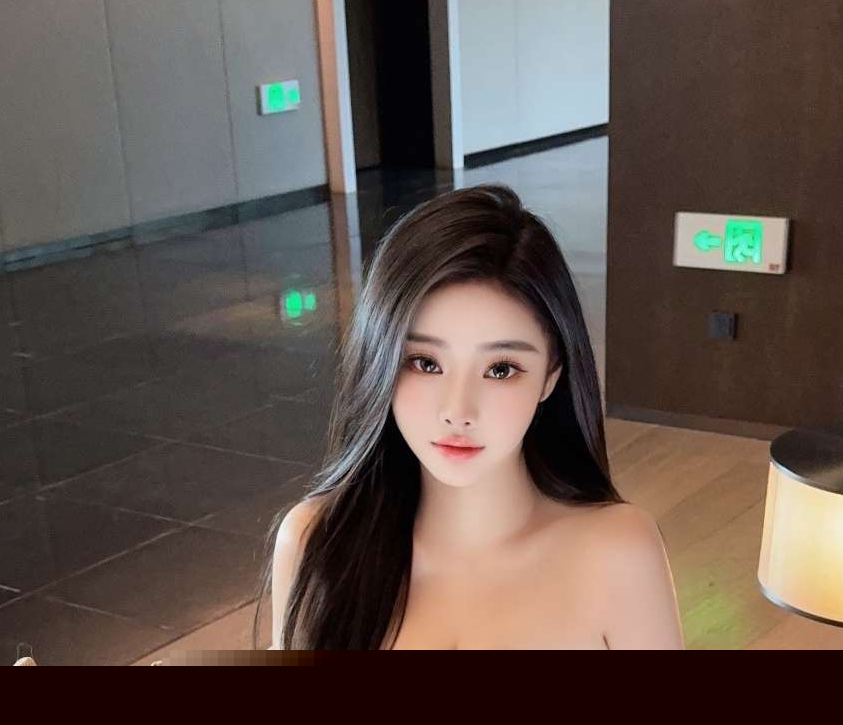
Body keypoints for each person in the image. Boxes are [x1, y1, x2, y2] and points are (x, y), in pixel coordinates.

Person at [254, 183, 685, 650]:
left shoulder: (619, 554)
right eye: (425, 363)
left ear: (550, 376)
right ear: (381, 360)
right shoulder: (316, 543)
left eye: (500, 369)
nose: (457, 411)